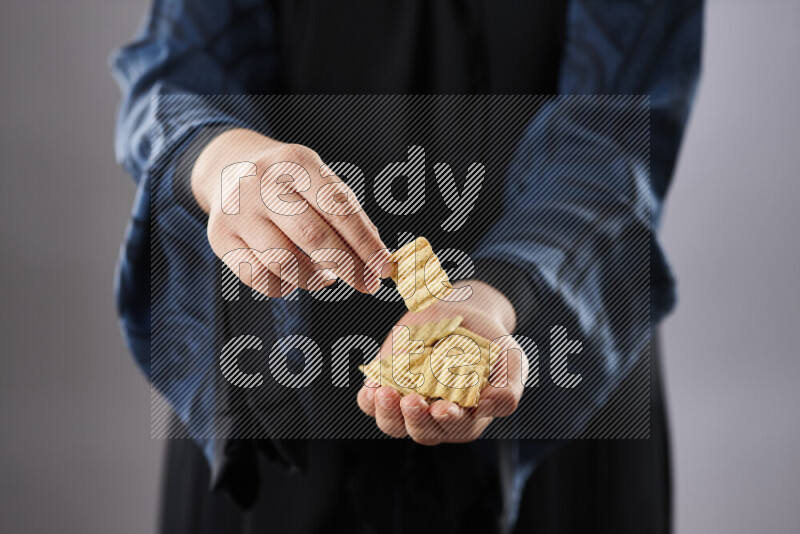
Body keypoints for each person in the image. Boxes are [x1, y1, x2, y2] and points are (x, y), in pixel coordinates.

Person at [111, 1, 703, 532]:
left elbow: (613, 137)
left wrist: (500, 293)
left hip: (552, 371)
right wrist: (227, 163)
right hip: (274, 398)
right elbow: (175, 67)